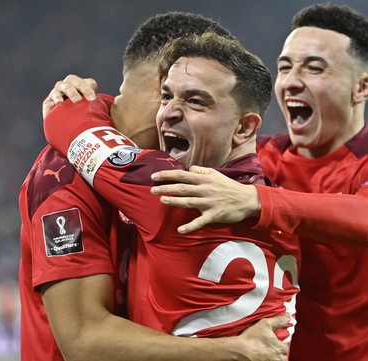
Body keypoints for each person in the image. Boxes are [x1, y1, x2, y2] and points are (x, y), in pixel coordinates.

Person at [147, 4, 368, 361]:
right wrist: (83, 103)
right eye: (285, 67)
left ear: (362, 87)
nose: (292, 80)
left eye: (315, 68)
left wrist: (257, 201)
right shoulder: (259, 157)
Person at [20, 12, 289, 361]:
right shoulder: (62, 178)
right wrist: (231, 351)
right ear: (168, 81)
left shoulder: (168, 167)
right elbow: (85, 339)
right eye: (194, 97)